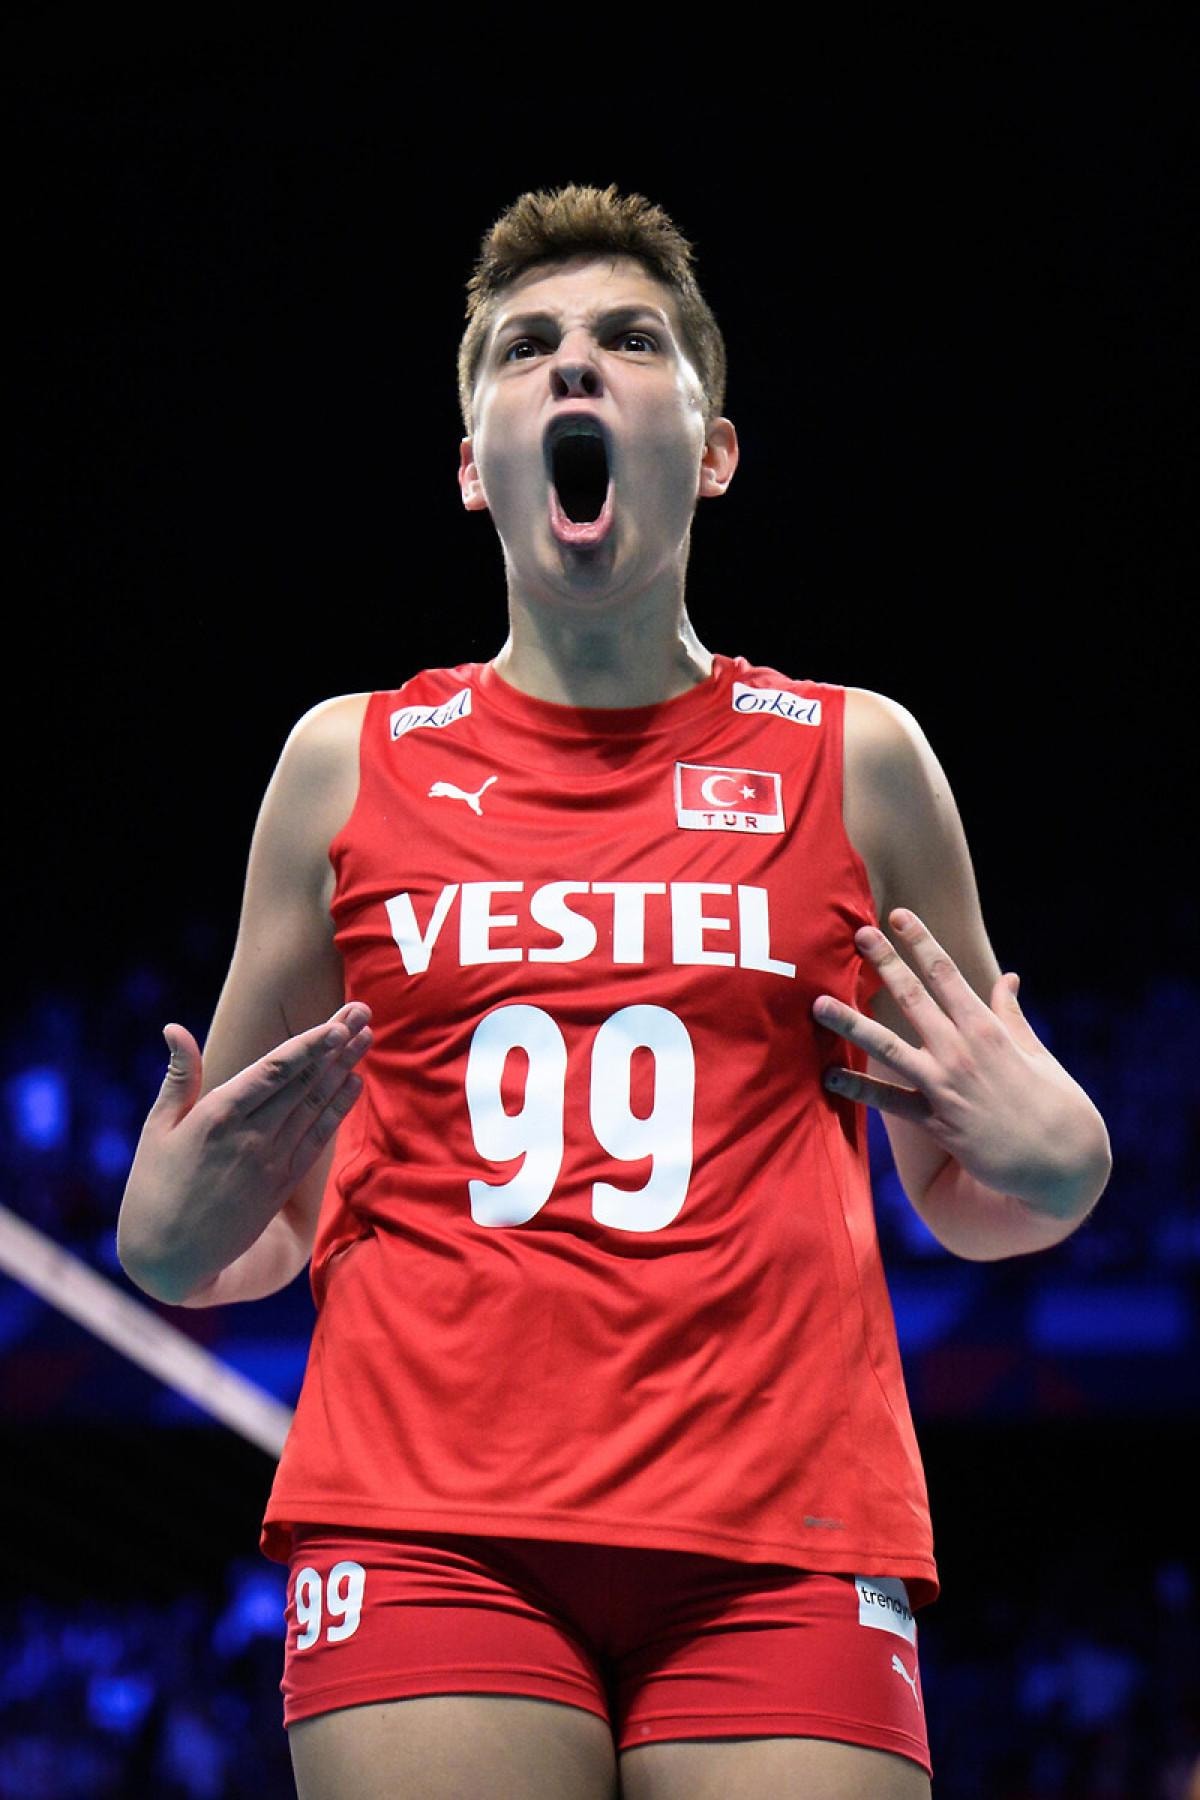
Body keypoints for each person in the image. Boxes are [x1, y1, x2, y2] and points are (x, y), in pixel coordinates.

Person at [118, 185, 1111, 1799]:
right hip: (424, 1521)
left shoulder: (859, 757)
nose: (575, 364)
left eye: (630, 339)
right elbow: (243, 1215)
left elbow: (962, 1191)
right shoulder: (343, 763)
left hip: (789, 1524)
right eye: (528, 348)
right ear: (472, 466)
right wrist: (173, 1224)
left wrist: (1055, 1163)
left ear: (712, 451)